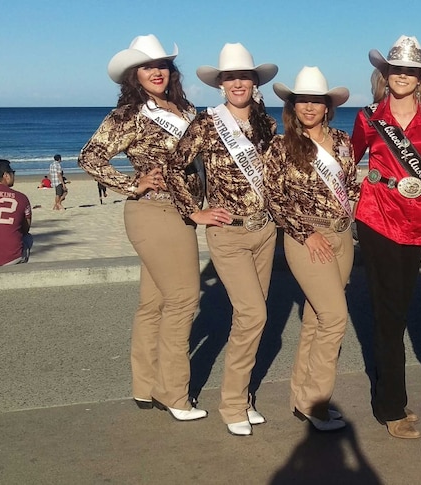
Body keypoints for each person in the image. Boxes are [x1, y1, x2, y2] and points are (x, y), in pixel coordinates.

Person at [79, 34, 206, 421]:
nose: (157, 71)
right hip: (154, 212)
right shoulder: (130, 114)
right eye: (148, 66)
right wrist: (133, 183)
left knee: (154, 303)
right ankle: (173, 394)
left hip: (178, 212)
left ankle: (145, 385)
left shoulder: (184, 108)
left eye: (162, 65)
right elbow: (90, 156)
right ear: (134, 74)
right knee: (185, 299)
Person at [167, 42, 278, 437]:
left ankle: (243, 396)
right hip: (227, 235)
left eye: (244, 76)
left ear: (254, 81)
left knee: (251, 318)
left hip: (264, 232)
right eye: (230, 77)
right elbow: (173, 168)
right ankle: (232, 403)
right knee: (254, 315)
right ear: (221, 83)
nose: (238, 83)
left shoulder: (266, 122)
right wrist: (193, 212)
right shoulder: (206, 123)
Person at [351, 35, 421, 439]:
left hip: (416, 222)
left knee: (400, 310)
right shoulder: (368, 117)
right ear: (385, 74)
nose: (403, 76)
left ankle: (389, 395)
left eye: (411, 71)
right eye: (396, 70)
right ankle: (390, 406)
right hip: (375, 217)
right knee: (387, 312)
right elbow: (344, 163)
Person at [265, 66, 357, 432]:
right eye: (302, 100)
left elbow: (351, 186)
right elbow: (275, 197)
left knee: (316, 320)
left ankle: (302, 399)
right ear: (292, 105)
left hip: (342, 237)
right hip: (307, 240)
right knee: (335, 317)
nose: (309, 106)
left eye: (316, 100)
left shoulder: (343, 141)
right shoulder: (281, 145)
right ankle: (318, 404)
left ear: (327, 105)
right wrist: (306, 233)